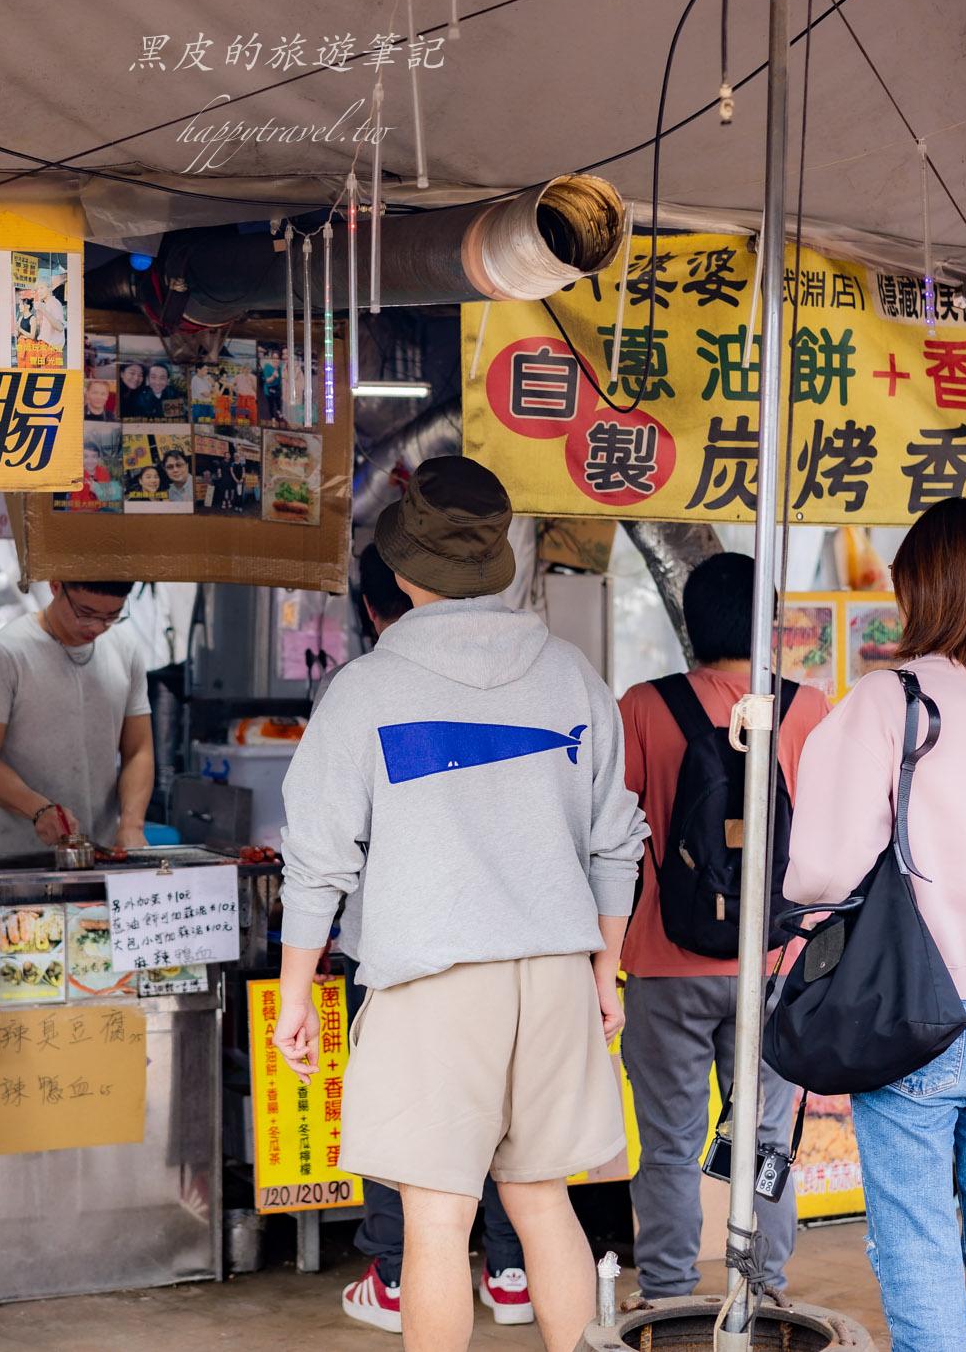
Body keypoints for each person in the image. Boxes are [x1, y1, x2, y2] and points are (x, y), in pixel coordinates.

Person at [274, 456, 647, 1352]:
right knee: (544, 1200)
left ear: (402, 573)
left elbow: (317, 858)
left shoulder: (364, 690)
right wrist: (604, 968)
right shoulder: (572, 677)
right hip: (555, 977)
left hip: (434, 985)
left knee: (437, 1223)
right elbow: (616, 838)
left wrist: (295, 992)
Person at [783, 496, 966, 1351]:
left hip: (915, 1011)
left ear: (927, 585)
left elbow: (823, 866)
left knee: (919, 1247)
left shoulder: (887, 697)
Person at [614, 551, 830, 1301]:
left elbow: (613, 836)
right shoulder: (806, 709)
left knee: (670, 1144)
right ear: (769, 627)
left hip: (664, 961)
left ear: (689, 623)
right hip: (773, 967)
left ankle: (671, 1293)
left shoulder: (643, 706)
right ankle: (763, 1288)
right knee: (764, 1138)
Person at [334, 542, 534, 1336]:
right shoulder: (547, 674)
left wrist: (298, 971)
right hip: (525, 950)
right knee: (526, 1161)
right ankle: (512, 1274)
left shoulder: (365, 686)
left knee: (414, 1156)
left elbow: (326, 844)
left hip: (408, 951)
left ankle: (389, 1276)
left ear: (381, 606)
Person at [0, 581, 153, 854]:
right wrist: (38, 809)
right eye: (85, 613)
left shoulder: (126, 650)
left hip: (104, 854)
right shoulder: (3, 654)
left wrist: (132, 824)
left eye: (112, 616)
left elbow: (138, 750)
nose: (97, 627)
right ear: (55, 586)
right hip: (17, 858)